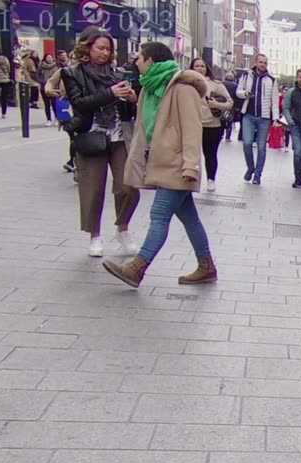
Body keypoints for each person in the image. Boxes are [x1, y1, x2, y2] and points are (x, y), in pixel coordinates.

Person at [102, 41, 216, 289]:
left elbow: (191, 129)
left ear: (150, 61)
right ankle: (206, 266)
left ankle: (137, 268)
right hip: (162, 162)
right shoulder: (149, 89)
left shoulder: (182, 88)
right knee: (190, 219)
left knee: (159, 214)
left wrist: (191, 166)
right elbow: (153, 123)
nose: (136, 62)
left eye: (140, 58)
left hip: (178, 164)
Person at [62, 26, 140, 257]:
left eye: (108, 49)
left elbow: (124, 107)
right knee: (92, 189)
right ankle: (94, 236)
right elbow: (79, 104)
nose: (105, 53)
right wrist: (111, 94)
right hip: (91, 136)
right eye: (100, 48)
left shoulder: (117, 73)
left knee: (129, 186)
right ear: (87, 47)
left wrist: (131, 99)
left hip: (117, 135)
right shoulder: (73, 73)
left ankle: (122, 228)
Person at [191, 58, 232, 193]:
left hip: (212, 125)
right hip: (192, 124)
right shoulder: (185, 84)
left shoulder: (215, 85)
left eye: (202, 66)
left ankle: (211, 179)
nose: (200, 68)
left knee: (210, 154)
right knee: (191, 154)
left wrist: (217, 105)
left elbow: (229, 102)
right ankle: (190, 178)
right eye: (196, 66)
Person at [236, 53, 277, 184]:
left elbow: (274, 101)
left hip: (264, 118)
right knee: (247, 144)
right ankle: (250, 168)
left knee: (261, 147)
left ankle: (258, 175)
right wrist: (245, 94)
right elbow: (238, 92)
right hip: (248, 115)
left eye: (265, 63)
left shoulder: (272, 79)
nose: (263, 65)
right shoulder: (246, 75)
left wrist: (275, 118)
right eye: (261, 62)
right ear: (256, 62)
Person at [38, 51, 59, 125]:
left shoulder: (56, 67)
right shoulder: (41, 66)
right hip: (44, 87)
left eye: (50, 57)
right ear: (45, 59)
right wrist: (42, 81)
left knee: (54, 104)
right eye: (48, 57)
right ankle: (48, 119)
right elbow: (37, 75)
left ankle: (57, 118)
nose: (49, 59)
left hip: (53, 88)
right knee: (46, 104)